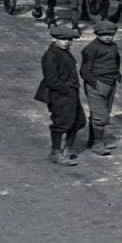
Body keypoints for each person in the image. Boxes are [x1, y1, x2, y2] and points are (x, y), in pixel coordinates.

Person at [34, 25, 85, 166]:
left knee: (78, 120)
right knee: (61, 123)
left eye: (69, 39)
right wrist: (66, 90)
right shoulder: (51, 56)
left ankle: (68, 148)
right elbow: (51, 81)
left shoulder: (65, 52)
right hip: (59, 95)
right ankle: (55, 153)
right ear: (54, 39)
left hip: (71, 93)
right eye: (63, 39)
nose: (67, 42)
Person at [79, 21, 121, 157]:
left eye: (110, 34)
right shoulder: (91, 49)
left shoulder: (113, 46)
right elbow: (85, 70)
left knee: (104, 112)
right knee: (100, 116)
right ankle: (97, 144)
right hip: (97, 84)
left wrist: (117, 74)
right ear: (97, 34)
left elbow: (116, 61)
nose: (107, 37)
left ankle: (93, 140)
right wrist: (95, 84)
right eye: (104, 34)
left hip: (111, 82)